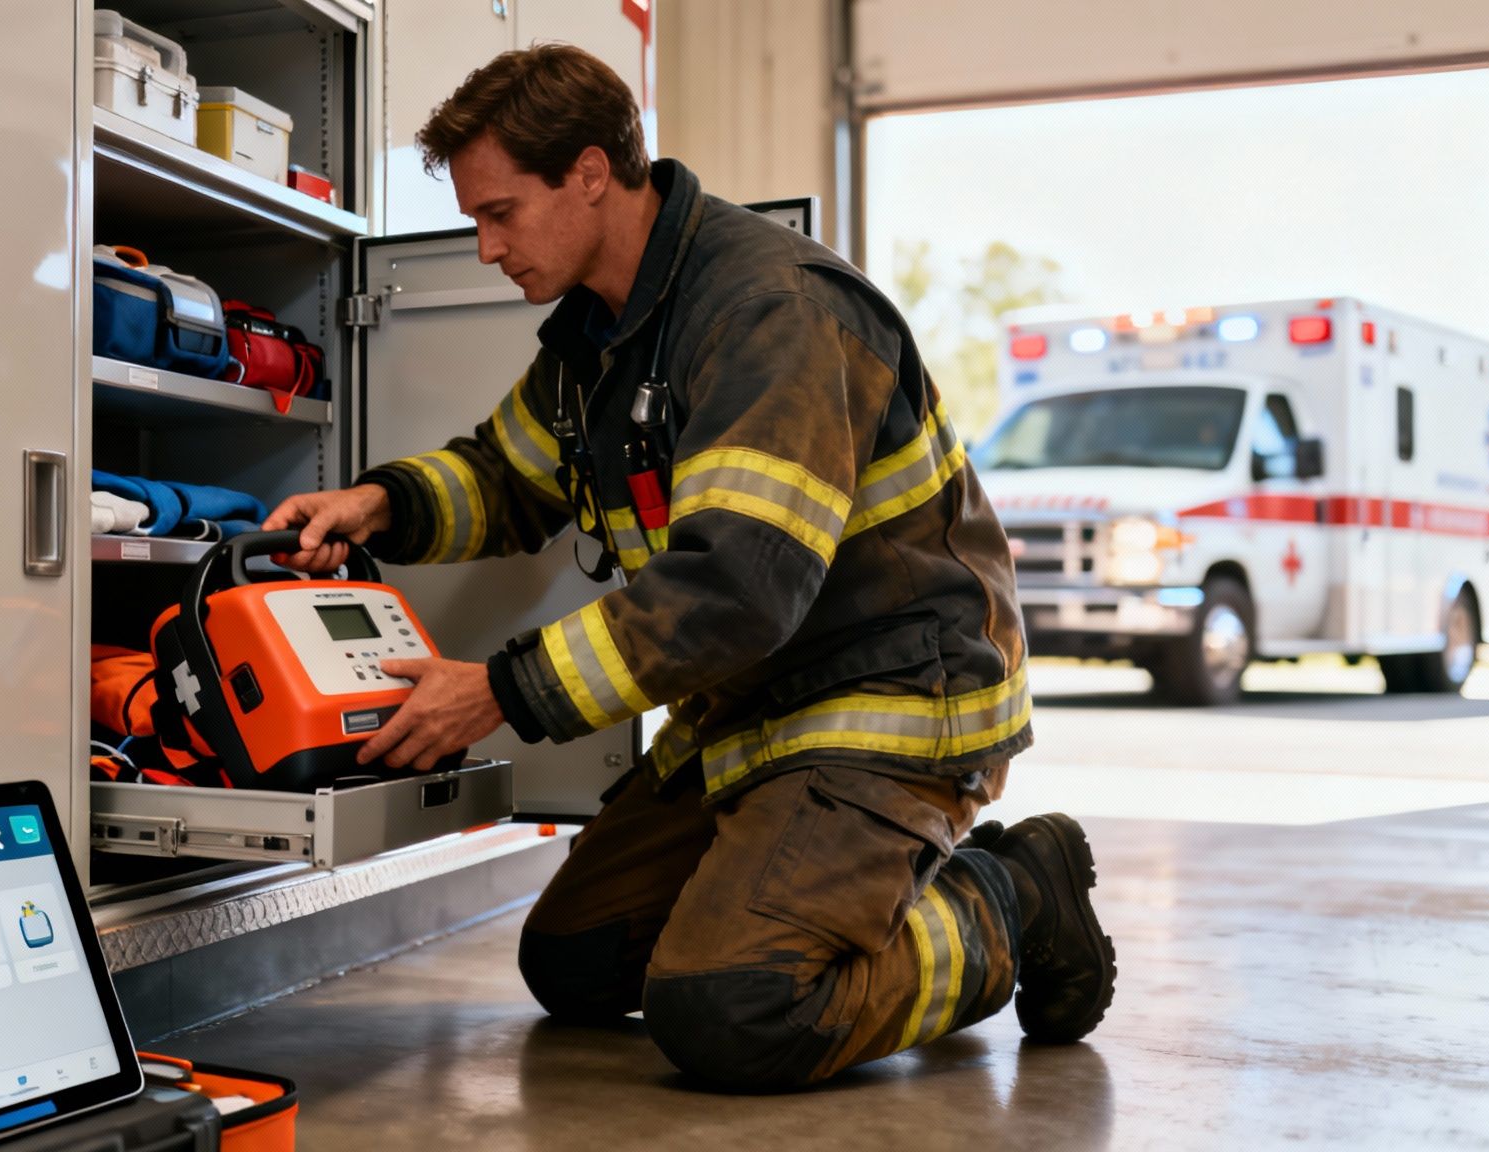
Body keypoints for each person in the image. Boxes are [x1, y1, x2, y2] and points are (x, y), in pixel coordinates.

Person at [262, 44, 1115, 1089]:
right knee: (572, 963)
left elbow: (735, 589)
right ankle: (830, 888)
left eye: (498, 213)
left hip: (890, 698)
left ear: (586, 173)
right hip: (753, 712)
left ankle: (1007, 901)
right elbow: (506, 474)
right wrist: (380, 502)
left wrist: (497, 692)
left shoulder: (771, 312)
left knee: (734, 1009)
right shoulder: (601, 339)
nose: (484, 248)